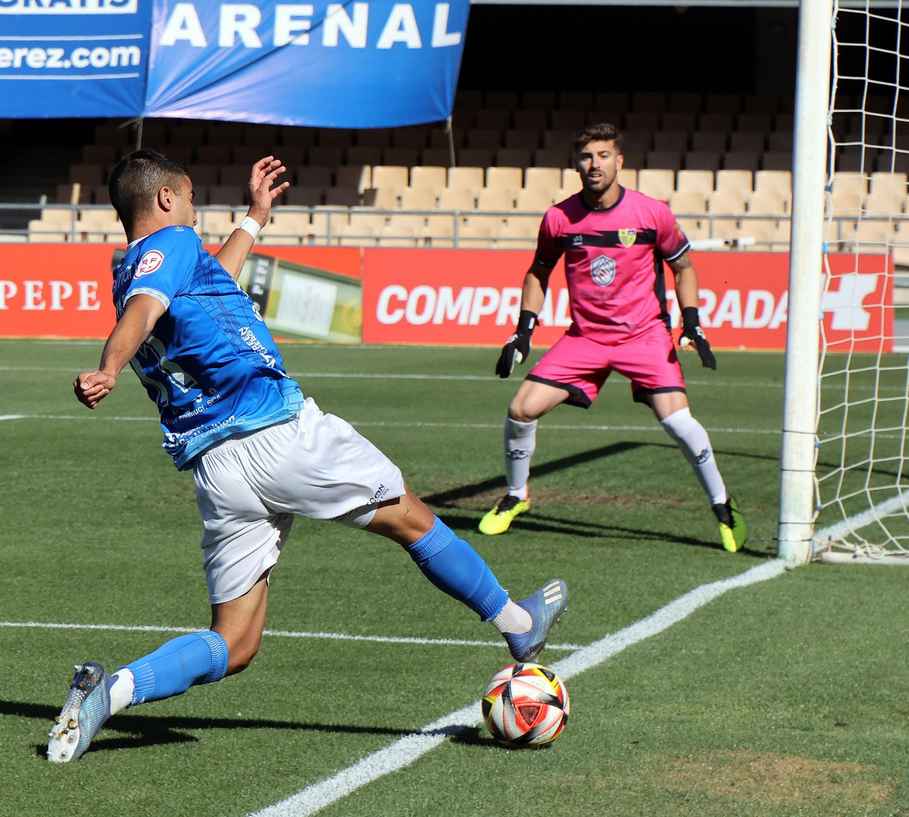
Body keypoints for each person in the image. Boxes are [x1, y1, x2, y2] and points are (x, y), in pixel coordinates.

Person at [45, 151, 568, 763]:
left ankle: (111, 692)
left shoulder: (138, 267)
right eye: (188, 197)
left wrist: (255, 219)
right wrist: (108, 367)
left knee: (234, 643)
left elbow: (206, 284)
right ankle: (516, 623)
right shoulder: (172, 244)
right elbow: (146, 310)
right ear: (165, 200)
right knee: (412, 518)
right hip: (278, 434)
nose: (193, 209)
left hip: (218, 469)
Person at [484, 123, 746, 552]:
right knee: (520, 409)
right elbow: (538, 272)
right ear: (576, 164)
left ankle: (722, 504)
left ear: (619, 161)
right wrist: (523, 330)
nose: (594, 165)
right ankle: (516, 496)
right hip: (585, 338)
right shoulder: (559, 218)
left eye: (603, 156)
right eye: (587, 157)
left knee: (679, 423)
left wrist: (692, 323)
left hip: (644, 335)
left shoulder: (651, 213)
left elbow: (684, 268)